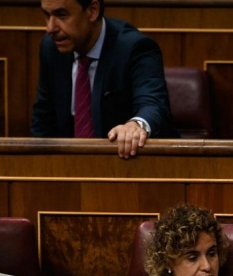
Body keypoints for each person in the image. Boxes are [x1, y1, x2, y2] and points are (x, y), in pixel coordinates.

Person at [32, 0, 179, 159]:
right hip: (70, 170)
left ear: (92, 11)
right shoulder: (51, 48)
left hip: (130, 165)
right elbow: (44, 119)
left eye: (61, 15)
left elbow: (153, 104)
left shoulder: (134, 47)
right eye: (47, 16)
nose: (50, 28)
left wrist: (135, 125)